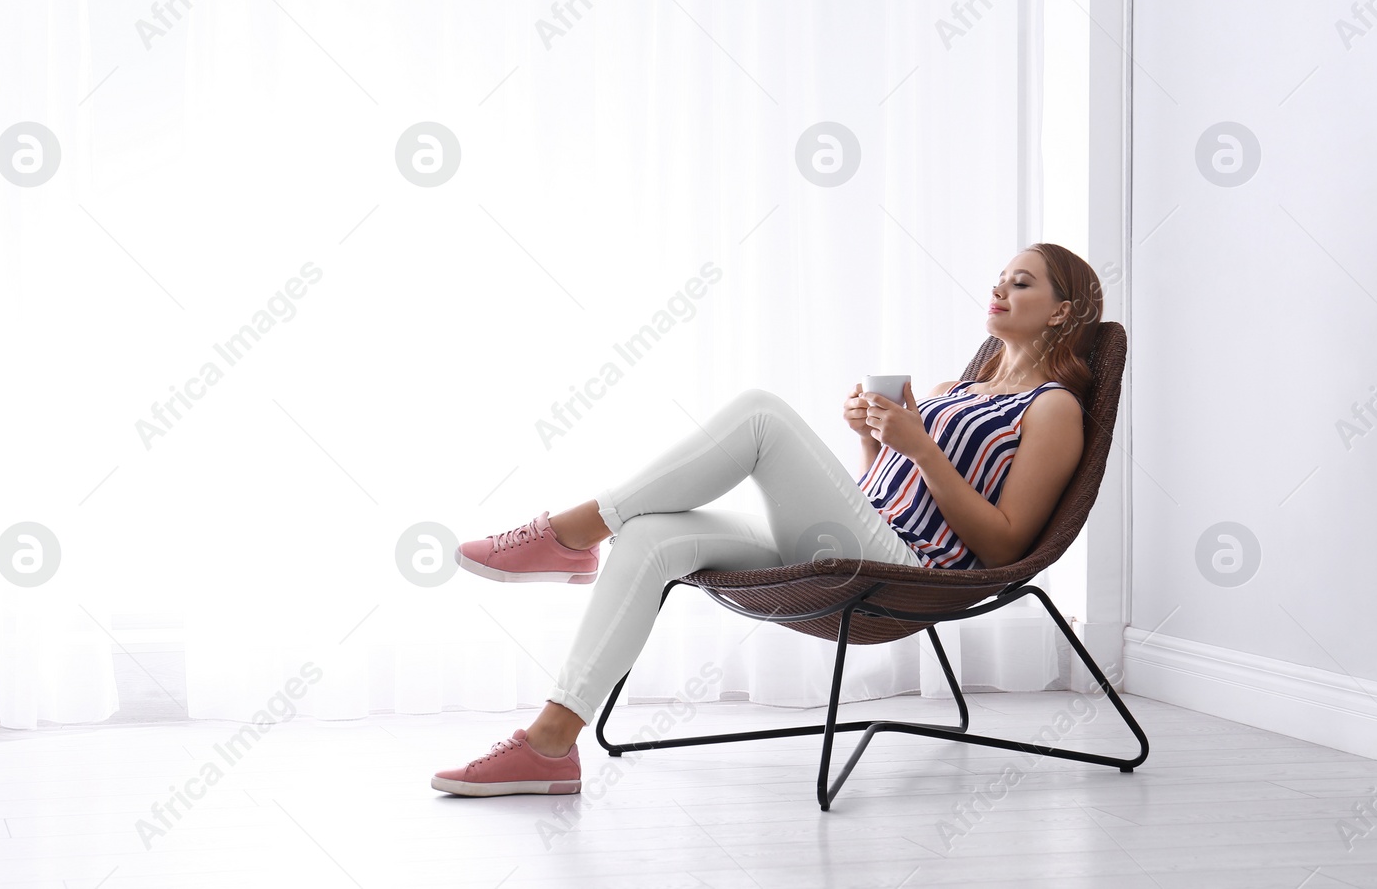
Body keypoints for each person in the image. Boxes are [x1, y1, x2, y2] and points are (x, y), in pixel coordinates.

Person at [430, 242, 1100, 797]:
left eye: (1022, 282)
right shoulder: (955, 390)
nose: (1000, 289)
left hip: (914, 572)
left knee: (760, 413)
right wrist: (873, 441)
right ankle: (550, 743)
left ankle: (569, 532)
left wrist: (921, 446)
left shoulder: (1055, 409)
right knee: (653, 535)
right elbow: (883, 491)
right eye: (999, 278)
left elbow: (1007, 543)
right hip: (868, 536)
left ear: (1061, 310)